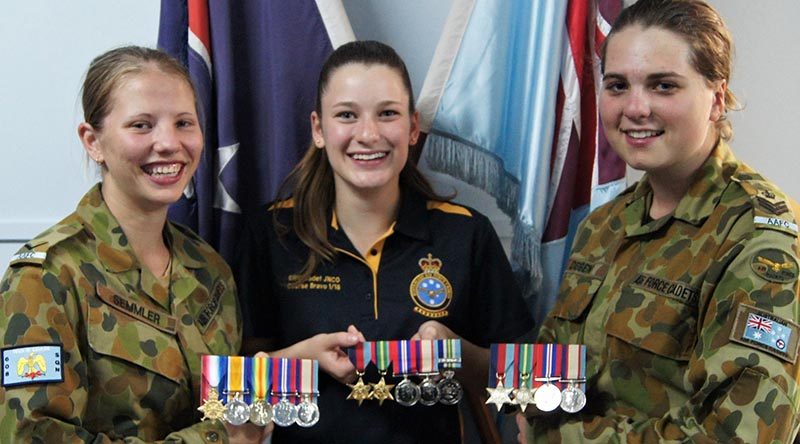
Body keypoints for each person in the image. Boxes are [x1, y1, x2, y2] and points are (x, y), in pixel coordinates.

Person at [519, 0, 800, 442]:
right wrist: (469, 363)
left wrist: (557, 438)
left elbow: (737, 435)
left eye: (663, 86)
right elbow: (555, 363)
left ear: (716, 99)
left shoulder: (758, 237)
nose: (634, 108)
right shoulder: (605, 224)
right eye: (617, 85)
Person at [236, 40, 534, 443]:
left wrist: (456, 352)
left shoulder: (466, 234)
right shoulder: (270, 233)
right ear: (319, 130)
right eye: (346, 115)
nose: (368, 134)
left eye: (387, 114)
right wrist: (301, 358)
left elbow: (533, 386)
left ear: (412, 128)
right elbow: (226, 397)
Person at [0, 46, 267, 443]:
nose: (168, 143)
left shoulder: (209, 270)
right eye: (142, 125)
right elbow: (32, 437)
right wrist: (218, 438)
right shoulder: (48, 276)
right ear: (93, 141)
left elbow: (215, 407)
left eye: (184, 123)